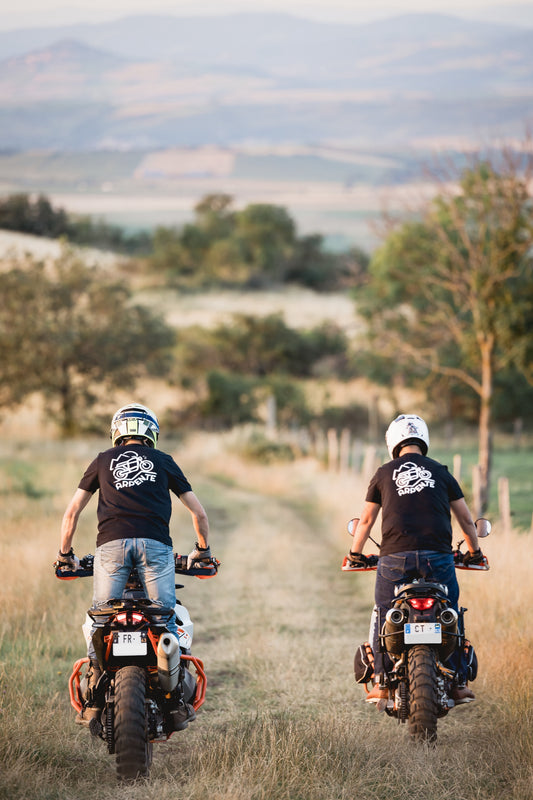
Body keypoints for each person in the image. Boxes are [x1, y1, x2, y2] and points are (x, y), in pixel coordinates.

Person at [57, 403, 211, 724]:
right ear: (151, 433)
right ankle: (172, 700)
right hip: (156, 548)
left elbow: (71, 513)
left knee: (101, 619)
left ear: (117, 432)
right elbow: (198, 513)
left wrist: (65, 555)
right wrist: (202, 550)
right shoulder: (164, 461)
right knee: (163, 618)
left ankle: (95, 700)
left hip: (110, 547)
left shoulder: (101, 461)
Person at [346, 414, 485, 705]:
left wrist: (355, 554)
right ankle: (459, 682)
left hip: (395, 557)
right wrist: (474, 552)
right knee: (452, 610)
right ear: (424, 439)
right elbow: (466, 520)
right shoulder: (442, 472)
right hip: (439, 558)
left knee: (383, 612)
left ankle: (382, 682)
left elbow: (367, 519)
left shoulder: (384, 473)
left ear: (393, 442)